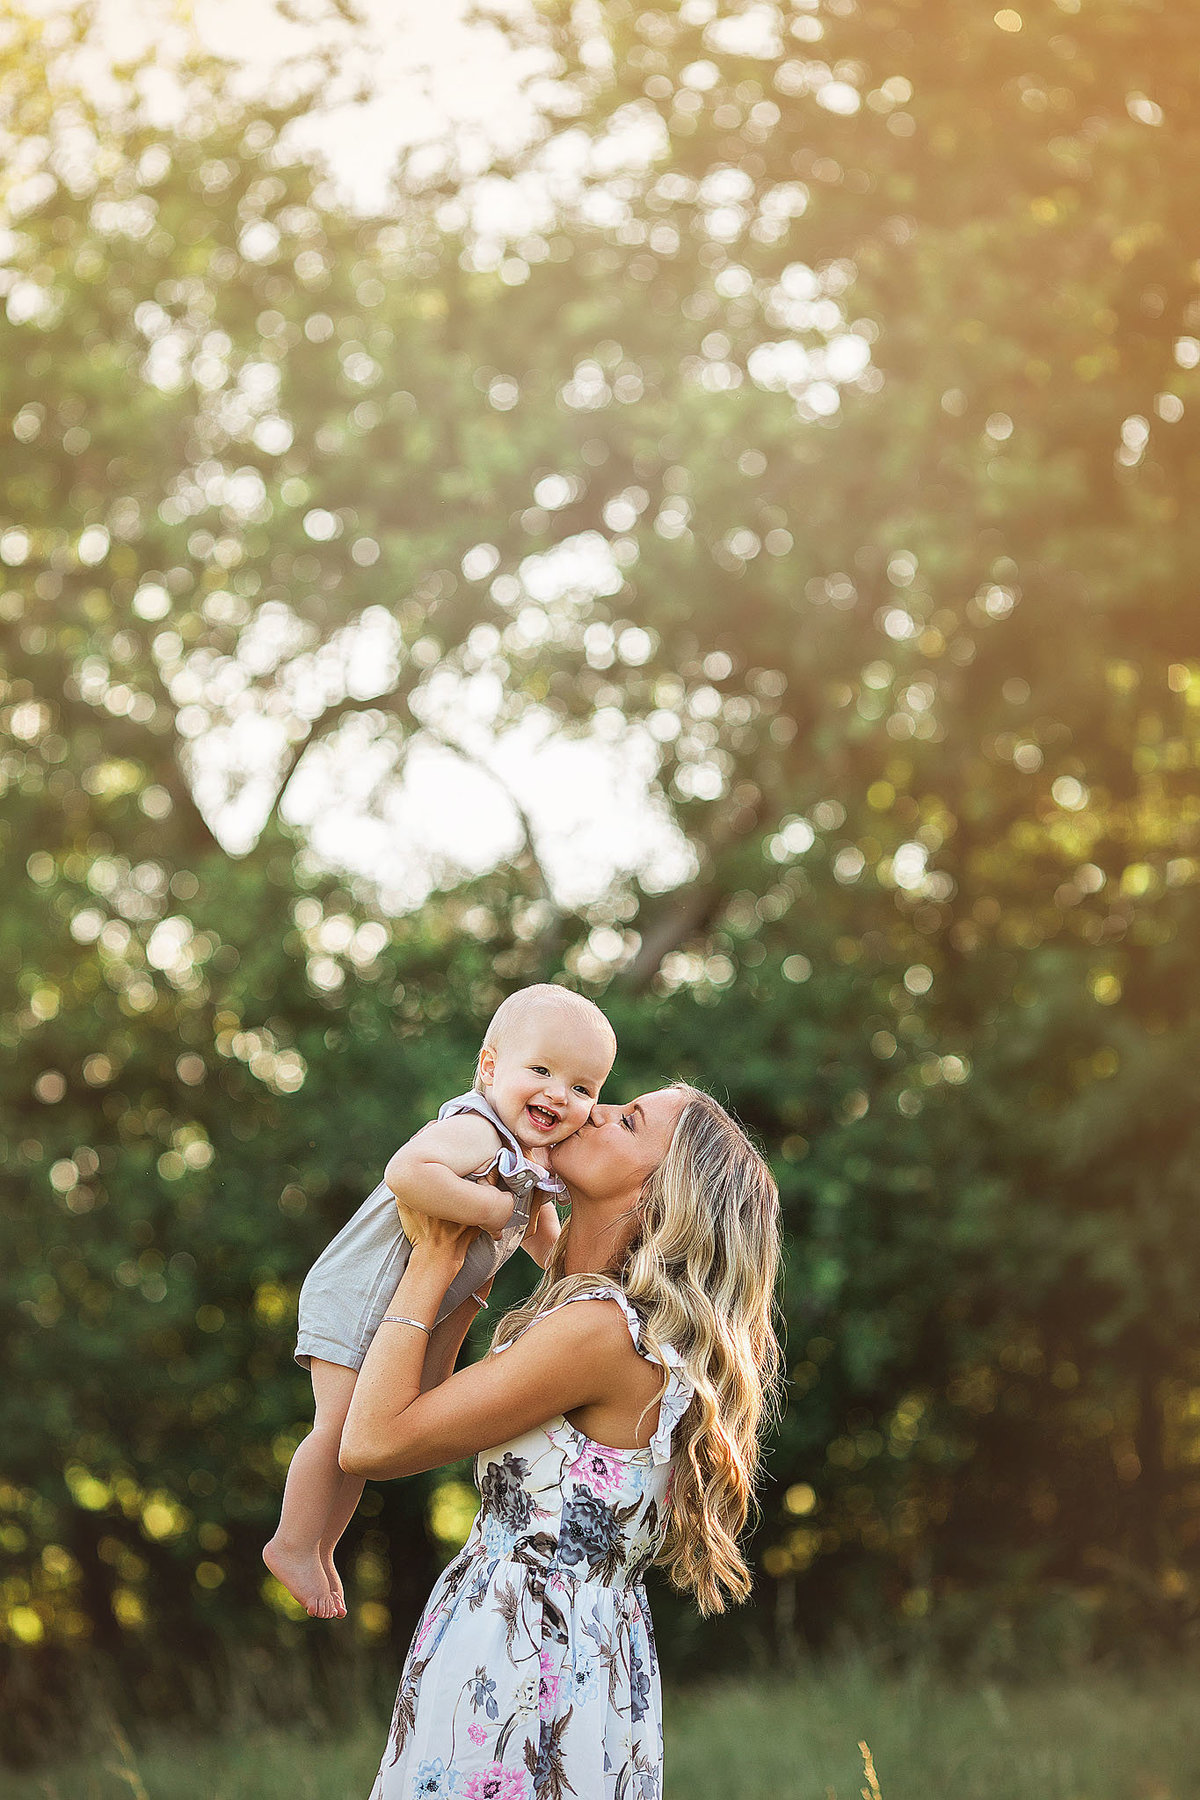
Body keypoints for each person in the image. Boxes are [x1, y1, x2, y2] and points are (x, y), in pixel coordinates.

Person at [339, 1082, 783, 1800]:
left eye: (627, 1120)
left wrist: (431, 1258)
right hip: (569, 1647)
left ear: (658, 1194)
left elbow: (373, 1442)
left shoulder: (601, 1333)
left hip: (521, 1654)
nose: (596, 1110)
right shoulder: (604, 1317)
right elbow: (417, 1404)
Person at [264, 985, 618, 1619]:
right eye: (540, 1070)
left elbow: (540, 1232)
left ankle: (321, 1546)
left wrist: (570, 1273)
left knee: (361, 1446)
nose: (559, 1094)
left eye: (583, 1088)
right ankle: (292, 1542)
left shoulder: (525, 1157)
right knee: (336, 1427)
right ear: (489, 1068)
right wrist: (489, 1205)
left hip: (400, 1310)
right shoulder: (475, 1131)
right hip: (359, 1294)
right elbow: (408, 1171)